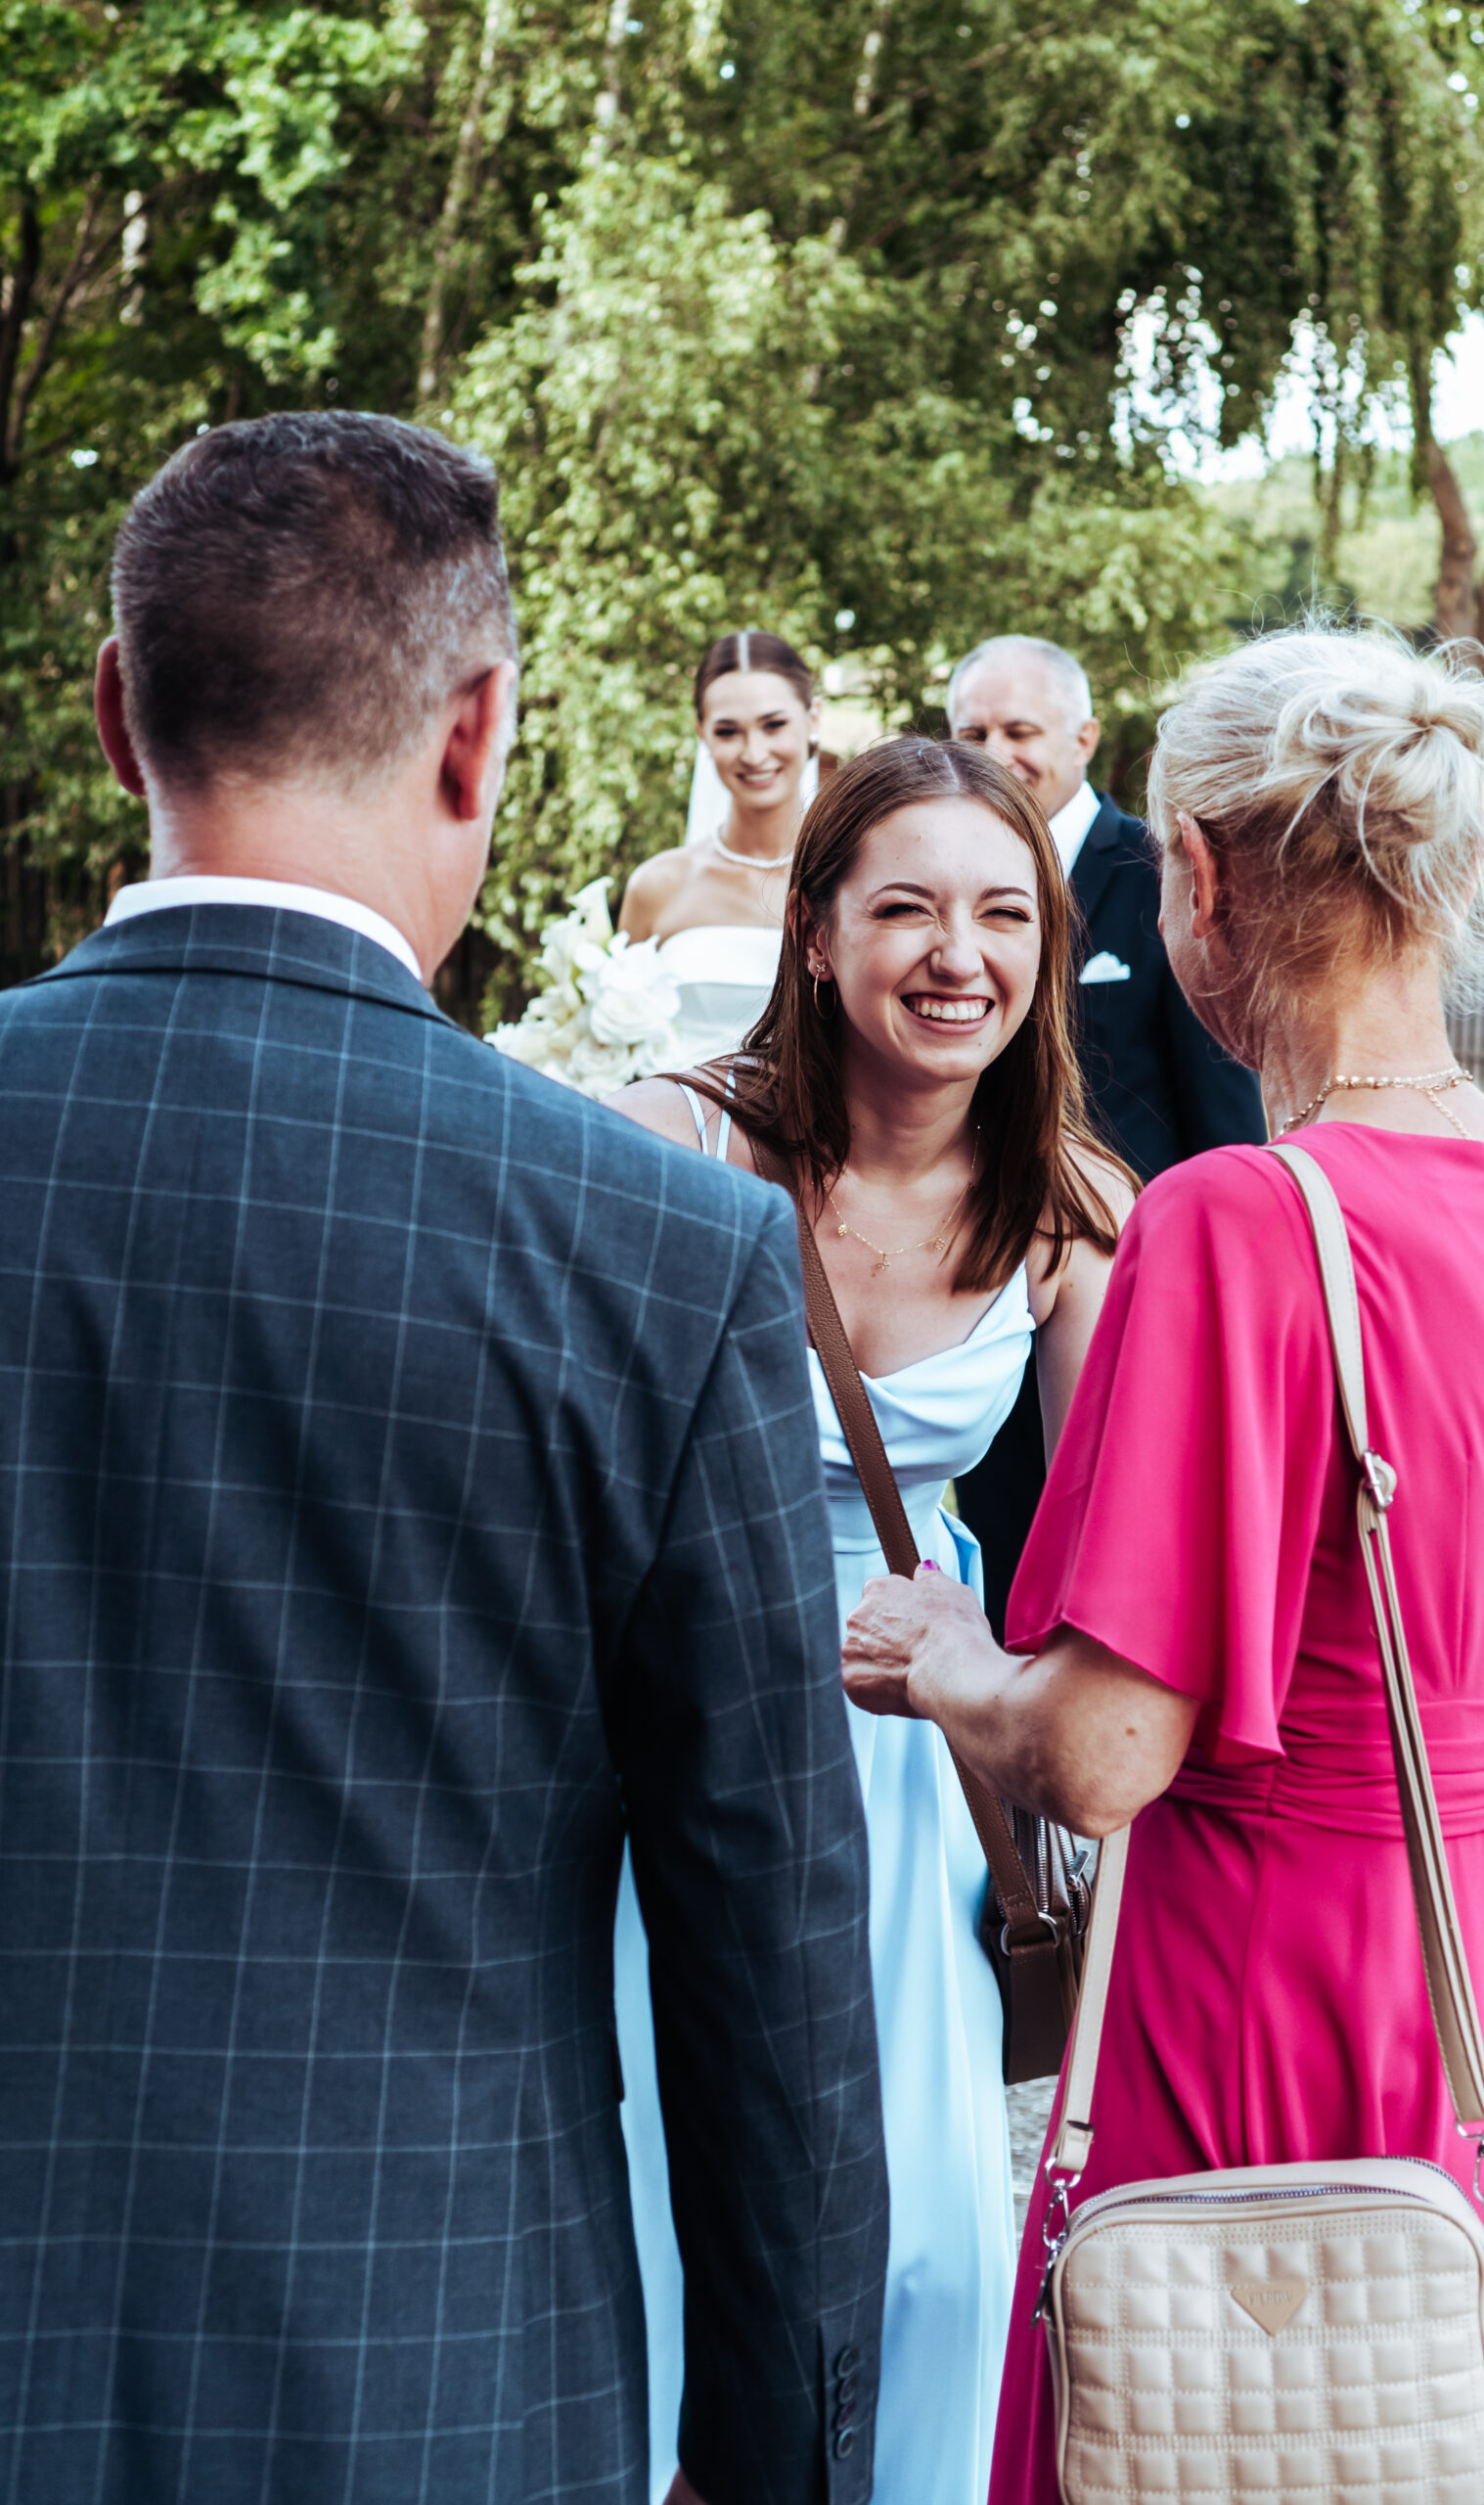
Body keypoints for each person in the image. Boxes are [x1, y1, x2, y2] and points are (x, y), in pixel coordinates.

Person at [0, 411, 888, 2505]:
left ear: (121, 710)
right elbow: (770, 1967)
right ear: (477, 731)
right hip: (431, 2379)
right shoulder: (654, 1250)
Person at [843, 626, 1484, 2505]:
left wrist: (944, 1651)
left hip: (1264, 1994)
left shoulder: (1237, 1222)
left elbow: (1103, 1754)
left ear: (1194, 876)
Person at [608, 737, 1132, 2505]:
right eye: (903, 905)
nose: (955, 953)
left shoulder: (1068, 1212)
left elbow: (1131, 1550)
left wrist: (1038, 1716)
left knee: (917, 2231)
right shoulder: (674, 1142)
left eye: (1002, 912)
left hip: (918, 1755)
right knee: (658, 2193)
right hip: (679, 1704)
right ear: (814, 930)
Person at [947, 633, 1268, 1635]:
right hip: (983, 1280)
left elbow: (1221, 1111)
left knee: (1119, 1563)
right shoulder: (951, 879)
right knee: (1003, 1553)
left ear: (1084, 736)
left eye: (1020, 730)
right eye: (972, 733)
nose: (997, 751)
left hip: (1135, 1285)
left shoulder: (1157, 875)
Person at [620, 630, 829, 1063]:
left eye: (774, 725)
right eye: (728, 731)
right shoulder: (657, 885)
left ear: (813, 719)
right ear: (702, 734)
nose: (754, 754)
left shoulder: (851, 875)